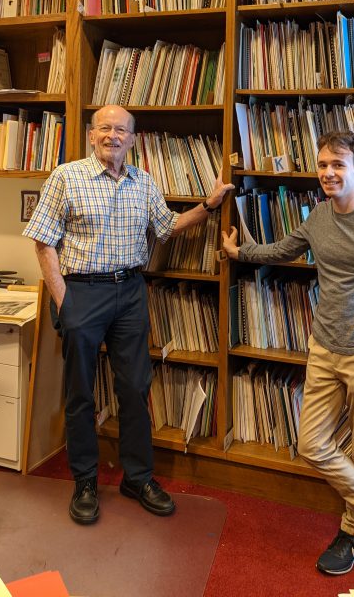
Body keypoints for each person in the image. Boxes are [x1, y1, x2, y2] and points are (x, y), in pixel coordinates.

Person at [222, 130, 354, 577]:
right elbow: (282, 250)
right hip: (324, 349)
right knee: (312, 443)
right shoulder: (316, 218)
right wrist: (240, 251)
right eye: (323, 165)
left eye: (338, 165)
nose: (328, 173)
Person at [23, 104, 234, 525]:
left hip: (132, 292)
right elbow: (44, 243)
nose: (113, 136)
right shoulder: (66, 177)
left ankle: (137, 478)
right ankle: (84, 480)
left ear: (133, 139)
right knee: (80, 393)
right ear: (91, 134)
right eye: (105, 128)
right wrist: (65, 301)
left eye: (121, 130)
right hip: (81, 291)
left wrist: (208, 207)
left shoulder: (144, 182)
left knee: (136, 387)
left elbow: (167, 227)